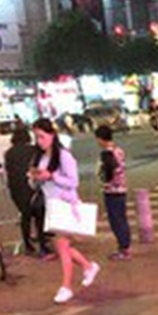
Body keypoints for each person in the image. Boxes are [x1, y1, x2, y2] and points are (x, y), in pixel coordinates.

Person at [30, 118, 100, 304]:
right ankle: (88, 266)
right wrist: (36, 177)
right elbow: (40, 183)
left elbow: (73, 182)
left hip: (66, 205)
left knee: (61, 247)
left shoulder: (63, 156)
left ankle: (66, 286)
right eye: (36, 137)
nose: (39, 141)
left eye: (42, 136)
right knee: (64, 247)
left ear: (52, 135)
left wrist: (52, 176)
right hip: (52, 206)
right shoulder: (41, 157)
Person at [4, 125, 51, 256]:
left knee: (25, 215)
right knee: (39, 215)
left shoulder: (9, 153)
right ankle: (42, 244)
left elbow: (9, 172)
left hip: (16, 188)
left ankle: (28, 244)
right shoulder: (33, 150)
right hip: (33, 186)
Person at [94, 124, 132, 260]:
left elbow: (107, 174)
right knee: (122, 219)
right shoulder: (119, 151)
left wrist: (104, 182)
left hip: (112, 191)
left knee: (116, 221)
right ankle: (125, 246)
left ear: (101, 138)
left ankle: (123, 249)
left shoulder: (106, 154)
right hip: (121, 189)